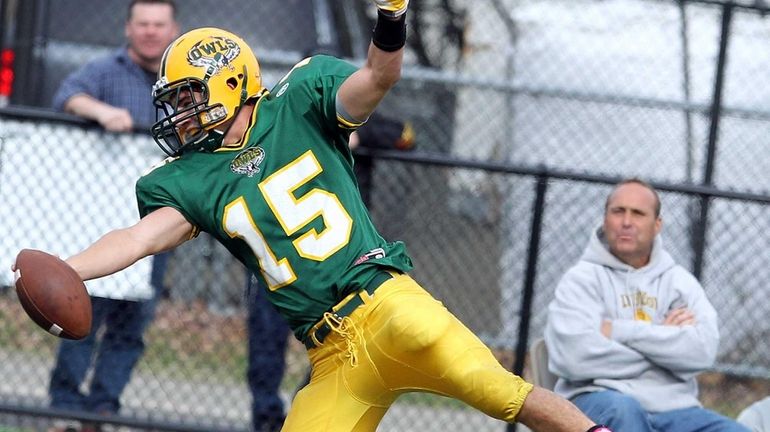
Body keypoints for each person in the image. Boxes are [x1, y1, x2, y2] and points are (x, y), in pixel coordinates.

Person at [22, 1, 610, 430]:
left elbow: (379, 76)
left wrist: (391, 16)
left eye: (187, 97)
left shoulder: (300, 100)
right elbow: (138, 238)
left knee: (506, 395)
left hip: (388, 305)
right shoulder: (190, 178)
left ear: (231, 85)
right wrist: (69, 269)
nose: (178, 113)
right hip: (331, 353)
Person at [47, 0, 179, 427]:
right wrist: (101, 112)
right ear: (128, 28)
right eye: (142, 23)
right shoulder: (104, 69)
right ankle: (64, 405)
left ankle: (103, 407)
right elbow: (66, 96)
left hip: (161, 221)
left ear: (173, 28)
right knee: (80, 313)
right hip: (102, 222)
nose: (150, 32)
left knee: (131, 325)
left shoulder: (185, 79)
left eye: (158, 24)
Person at [544, 178, 749, 432]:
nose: (626, 222)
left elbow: (702, 351)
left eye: (638, 213)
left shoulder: (679, 282)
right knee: (624, 411)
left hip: (675, 410)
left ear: (657, 225)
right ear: (605, 219)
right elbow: (572, 357)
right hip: (600, 399)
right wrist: (664, 345)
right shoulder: (581, 280)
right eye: (618, 211)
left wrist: (617, 331)